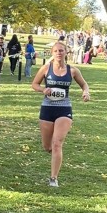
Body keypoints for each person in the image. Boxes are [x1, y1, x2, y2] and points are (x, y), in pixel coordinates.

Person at [31, 41, 90, 187]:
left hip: (64, 109)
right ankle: (55, 157)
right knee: (47, 147)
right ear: (52, 53)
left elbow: (84, 84)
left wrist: (86, 92)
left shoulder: (73, 71)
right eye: (56, 51)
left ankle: (53, 178)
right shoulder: (46, 68)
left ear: (66, 52)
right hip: (47, 108)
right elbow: (34, 84)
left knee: (57, 144)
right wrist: (42, 90)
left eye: (61, 51)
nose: (59, 53)